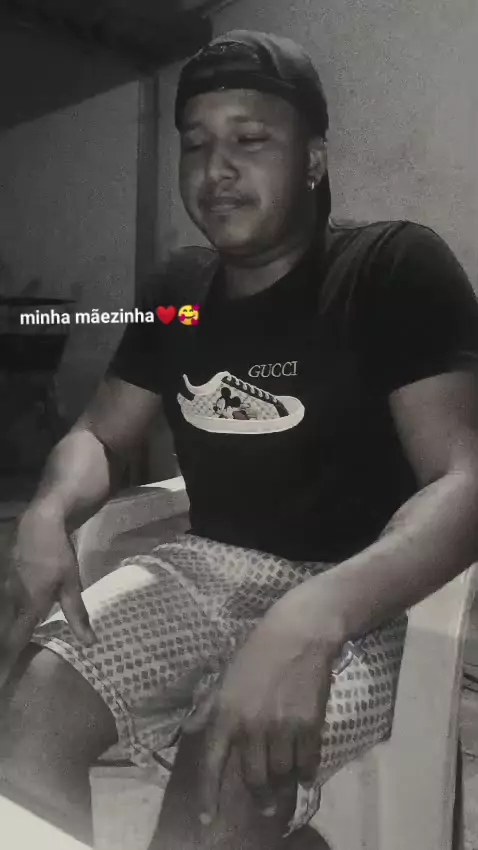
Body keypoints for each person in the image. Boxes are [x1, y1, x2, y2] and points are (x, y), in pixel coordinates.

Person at [1, 28, 478, 850]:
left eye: (250, 140)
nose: (215, 168)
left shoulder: (388, 270)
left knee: (225, 769)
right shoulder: (181, 292)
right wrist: (47, 513)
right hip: (204, 568)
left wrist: (312, 617)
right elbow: (101, 435)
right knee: (27, 711)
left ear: (314, 160)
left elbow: (463, 482)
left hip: (358, 594)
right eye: (196, 143)